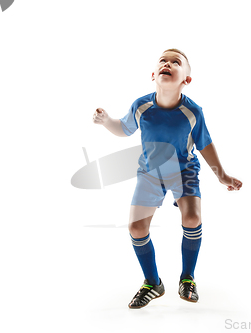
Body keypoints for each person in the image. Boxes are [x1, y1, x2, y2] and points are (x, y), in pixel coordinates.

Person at [93, 49, 242, 309]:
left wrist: (222, 175)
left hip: (184, 171)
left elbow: (205, 144)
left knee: (192, 217)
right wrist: (107, 121)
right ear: (153, 74)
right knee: (136, 228)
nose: (168, 63)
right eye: (163, 60)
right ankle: (152, 283)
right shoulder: (142, 105)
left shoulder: (192, 111)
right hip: (150, 174)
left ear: (186, 79)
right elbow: (124, 128)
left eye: (176, 62)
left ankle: (188, 278)